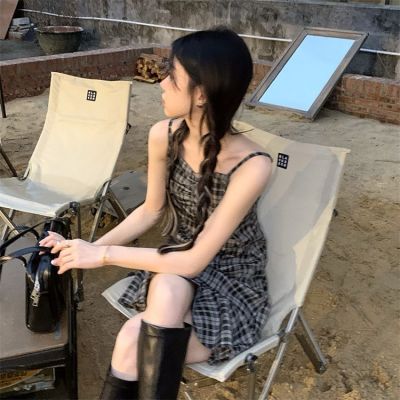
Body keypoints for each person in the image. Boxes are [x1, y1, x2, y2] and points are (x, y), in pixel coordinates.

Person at [40, 27, 272, 400]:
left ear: (201, 94)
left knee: (134, 335)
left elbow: (195, 260)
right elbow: (150, 211)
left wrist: (103, 255)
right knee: (163, 291)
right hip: (176, 267)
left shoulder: (253, 165)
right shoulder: (163, 134)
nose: (161, 84)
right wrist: (86, 247)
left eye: (172, 77)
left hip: (229, 281)